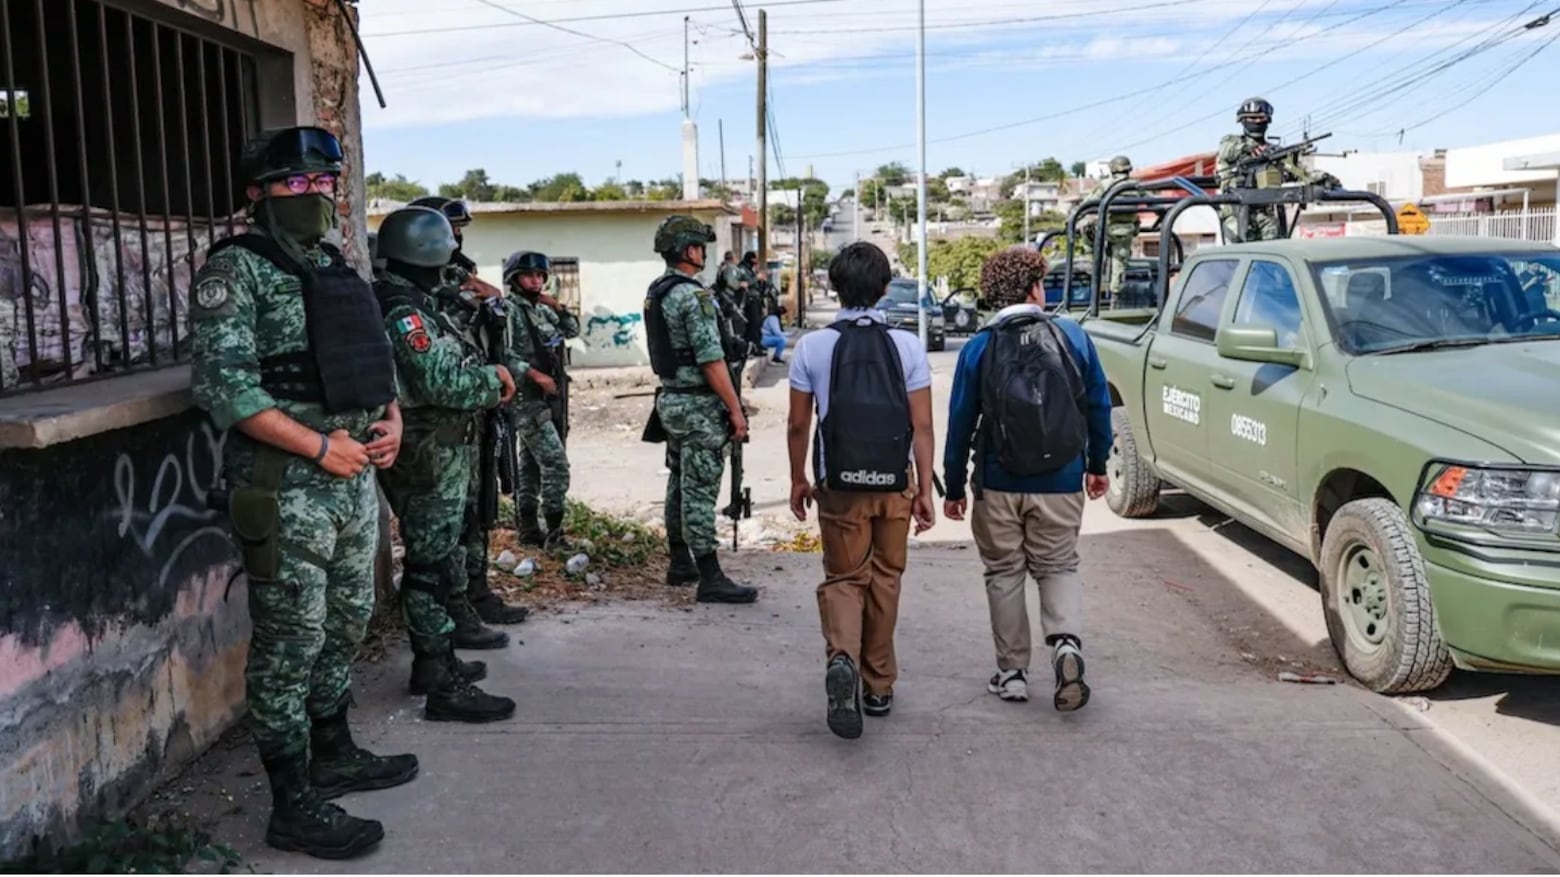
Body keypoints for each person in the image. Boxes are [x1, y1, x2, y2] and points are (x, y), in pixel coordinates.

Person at [190, 126, 414, 859]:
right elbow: (228, 390)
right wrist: (321, 446)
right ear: (258, 193)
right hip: (287, 484)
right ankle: (291, 802)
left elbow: (367, 358)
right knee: (290, 644)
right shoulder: (237, 270)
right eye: (296, 183)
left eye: (325, 183)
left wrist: (391, 419)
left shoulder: (333, 263)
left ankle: (334, 750)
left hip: (350, 478)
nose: (313, 195)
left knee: (346, 620)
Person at [942, 246, 1112, 713]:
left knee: (1003, 572)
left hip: (998, 481)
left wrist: (953, 487)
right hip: (1060, 480)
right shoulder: (1072, 335)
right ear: (1036, 288)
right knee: (1057, 565)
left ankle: (1013, 673)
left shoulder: (980, 346)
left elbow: (960, 422)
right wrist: (1097, 464)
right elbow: (1097, 404)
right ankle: (1066, 647)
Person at [371, 205, 520, 723]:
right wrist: (493, 379)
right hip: (427, 452)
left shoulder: (418, 301)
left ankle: (438, 662)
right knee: (430, 565)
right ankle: (437, 675)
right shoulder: (404, 311)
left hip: (437, 448)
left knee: (441, 556)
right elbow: (441, 382)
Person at [787, 241, 936, 740]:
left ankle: (842, 661)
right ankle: (878, 686)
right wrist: (924, 490)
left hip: (839, 485)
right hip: (894, 482)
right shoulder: (908, 345)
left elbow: (796, 424)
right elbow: (922, 426)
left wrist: (798, 479)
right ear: (885, 289)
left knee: (845, 577)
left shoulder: (812, 346)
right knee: (886, 578)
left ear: (835, 288)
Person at [641, 215, 759, 604]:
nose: (703, 254)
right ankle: (710, 576)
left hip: (671, 400)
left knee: (677, 482)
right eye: (700, 247)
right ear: (689, 250)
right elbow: (711, 361)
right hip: (697, 405)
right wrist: (735, 409)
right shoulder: (694, 296)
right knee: (700, 489)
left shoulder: (658, 290)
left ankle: (680, 561)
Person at [502, 250, 578, 547]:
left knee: (531, 464)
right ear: (515, 279)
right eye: (528, 275)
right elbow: (505, 356)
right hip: (527, 399)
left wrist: (557, 306)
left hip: (551, 398)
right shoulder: (510, 311)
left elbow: (572, 330)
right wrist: (536, 376)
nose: (535, 281)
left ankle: (530, 529)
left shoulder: (543, 309)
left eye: (539, 276)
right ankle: (555, 533)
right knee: (556, 463)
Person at [1216, 97, 1339, 242]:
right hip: (1236, 213)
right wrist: (1248, 149)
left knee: (1275, 250)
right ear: (1242, 120)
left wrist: (1322, 177)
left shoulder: (1274, 152)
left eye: (1261, 118)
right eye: (1252, 118)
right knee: (1238, 253)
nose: (1257, 122)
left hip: (1265, 214)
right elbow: (1226, 150)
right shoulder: (1232, 142)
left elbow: (1300, 172)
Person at [1085, 155, 1140, 298]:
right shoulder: (1137, 185)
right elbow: (1154, 203)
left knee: (1086, 230)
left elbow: (1088, 203)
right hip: (1127, 231)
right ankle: (1115, 294)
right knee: (1119, 265)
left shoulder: (1106, 184)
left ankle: (1090, 259)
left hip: (1107, 230)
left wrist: (1075, 216)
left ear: (1113, 169)